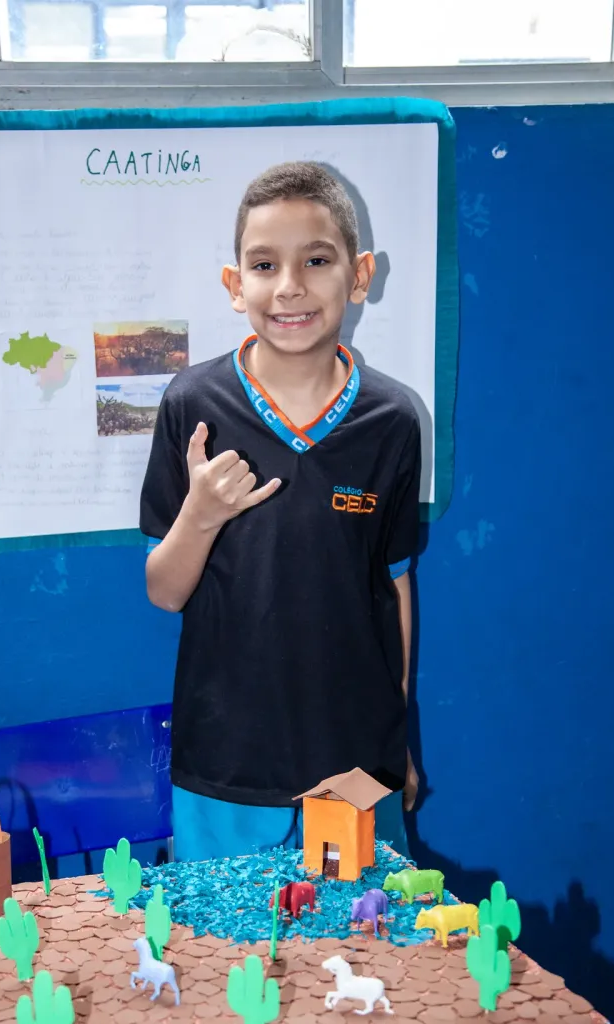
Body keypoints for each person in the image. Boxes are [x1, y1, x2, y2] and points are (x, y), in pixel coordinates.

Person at [140, 161, 422, 863]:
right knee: (222, 934)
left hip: (357, 760)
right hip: (228, 760)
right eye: (265, 265)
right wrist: (202, 514)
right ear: (236, 285)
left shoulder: (393, 419)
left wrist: (399, 736)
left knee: (363, 929)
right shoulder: (193, 405)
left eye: (316, 260)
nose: (289, 285)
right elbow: (164, 592)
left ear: (359, 275)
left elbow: (394, 584)